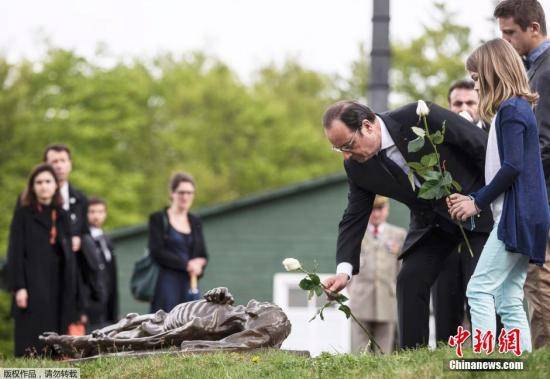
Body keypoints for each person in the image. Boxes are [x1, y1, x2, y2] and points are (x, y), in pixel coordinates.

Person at [320, 98, 493, 349]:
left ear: (367, 126)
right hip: (432, 225)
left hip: (474, 210)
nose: (347, 155)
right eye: (340, 149)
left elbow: (482, 147)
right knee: (410, 280)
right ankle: (413, 358)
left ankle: (494, 353)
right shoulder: (357, 167)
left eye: (348, 144)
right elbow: (354, 216)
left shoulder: (418, 117)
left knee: (480, 286)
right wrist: (344, 271)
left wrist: (481, 200)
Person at [448, 38, 549, 354]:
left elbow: (511, 167)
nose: (475, 88)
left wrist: (475, 201)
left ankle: (485, 358)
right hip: (526, 216)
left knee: (478, 289)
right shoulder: (515, 108)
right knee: (508, 294)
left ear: (493, 74)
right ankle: (521, 361)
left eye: (478, 79)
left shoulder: (511, 110)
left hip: (517, 218)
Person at [494, 0, 550, 349]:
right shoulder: (534, 69)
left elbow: (542, 143)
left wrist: (526, 194)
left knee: (539, 278)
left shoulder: (544, 72)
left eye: (510, 33)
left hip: (542, 194)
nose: (506, 42)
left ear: (534, 28)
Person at [430, 79, 489, 344]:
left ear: (479, 104)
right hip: (445, 232)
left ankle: (490, 355)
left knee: (484, 302)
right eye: (457, 103)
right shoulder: (435, 141)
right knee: (445, 304)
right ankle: (445, 356)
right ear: (449, 106)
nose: (464, 107)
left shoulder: (493, 134)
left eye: (469, 102)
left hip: (484, 231)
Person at [6, 164, 81, 356]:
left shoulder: (62, 215)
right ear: (32, 187)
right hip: (31, 283)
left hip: (59, 284)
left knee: (56, 342)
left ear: (56, 185)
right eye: (38, 182)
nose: (43, 186)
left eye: (48, 181)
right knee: (30, 342)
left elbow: (70, 258)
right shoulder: (23, 214)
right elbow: (15, 252)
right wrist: (19, 287)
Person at [348, 196, 406, 354]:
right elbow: (347, 265)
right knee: (359, 353)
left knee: (384, 353)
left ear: (387, 209)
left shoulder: (398, 234)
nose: (376, 213)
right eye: (373, 209)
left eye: (380, 209)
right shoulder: (356, 234)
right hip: (360, 300)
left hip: (387, 299)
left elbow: (402, 268)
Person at [149, 173, 209, 312]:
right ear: (172, 193)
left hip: (190, 284)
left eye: (189, 193)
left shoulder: (195, 221)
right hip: (166, 284)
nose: (185, 197)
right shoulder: (159, 218)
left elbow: (203, 254)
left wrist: (200, 263)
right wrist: (186, 264)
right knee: (165, 326)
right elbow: (156, 251)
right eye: (181, 192)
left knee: (191, 326)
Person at [80, 197, 119, 332]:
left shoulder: (106, 239)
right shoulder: (82, 239)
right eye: (92, 212)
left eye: (100, 212)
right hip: (90, 299)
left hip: (108, 298)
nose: (96, 216)